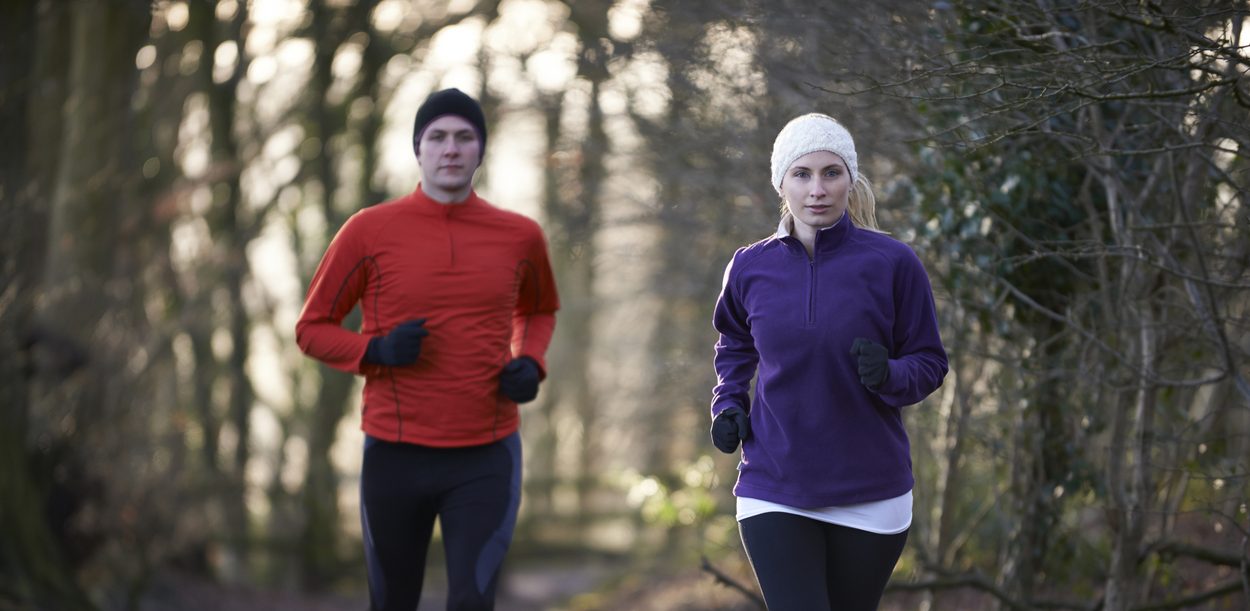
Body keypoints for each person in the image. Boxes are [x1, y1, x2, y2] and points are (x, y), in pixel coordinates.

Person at [295, 88, 559, 611]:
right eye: (437, 137)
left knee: (471, 602)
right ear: (418, 149)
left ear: (481, 150)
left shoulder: (519, 236)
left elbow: (539, 310)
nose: (451, 149)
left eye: (465, 137)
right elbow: (312, 328)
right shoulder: (369, 230)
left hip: (487, 452)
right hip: (395, 453)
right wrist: (377, 350)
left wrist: (529, 361)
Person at [709, 113, 948, 610]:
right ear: (781, 182)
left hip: (871, 490)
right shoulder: (750, 266)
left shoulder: (893, 264)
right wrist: (728, 404)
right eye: (802, 174)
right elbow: (734, 343)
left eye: (831, 173)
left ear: (849, 180)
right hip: (774, 482)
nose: (817, 189)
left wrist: (890, 374)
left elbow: (929, 360)